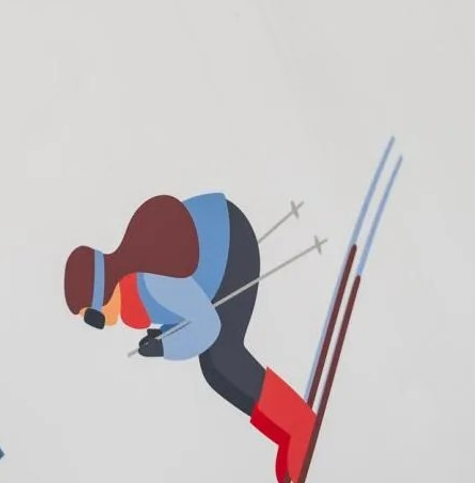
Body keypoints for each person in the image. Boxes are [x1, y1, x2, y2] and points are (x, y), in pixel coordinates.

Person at [65, 193, 315, 482]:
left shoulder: (150, 283)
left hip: (231, 247)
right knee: (214, 369)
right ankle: (286, 432)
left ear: (103, 293)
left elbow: (207, 326)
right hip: (221, 253)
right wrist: (165, 335)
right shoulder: (137, 287)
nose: (100, 324)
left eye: (92, 316)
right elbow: (187, 307)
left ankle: (298, 423)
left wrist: (165, 346)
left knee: (223, 356)